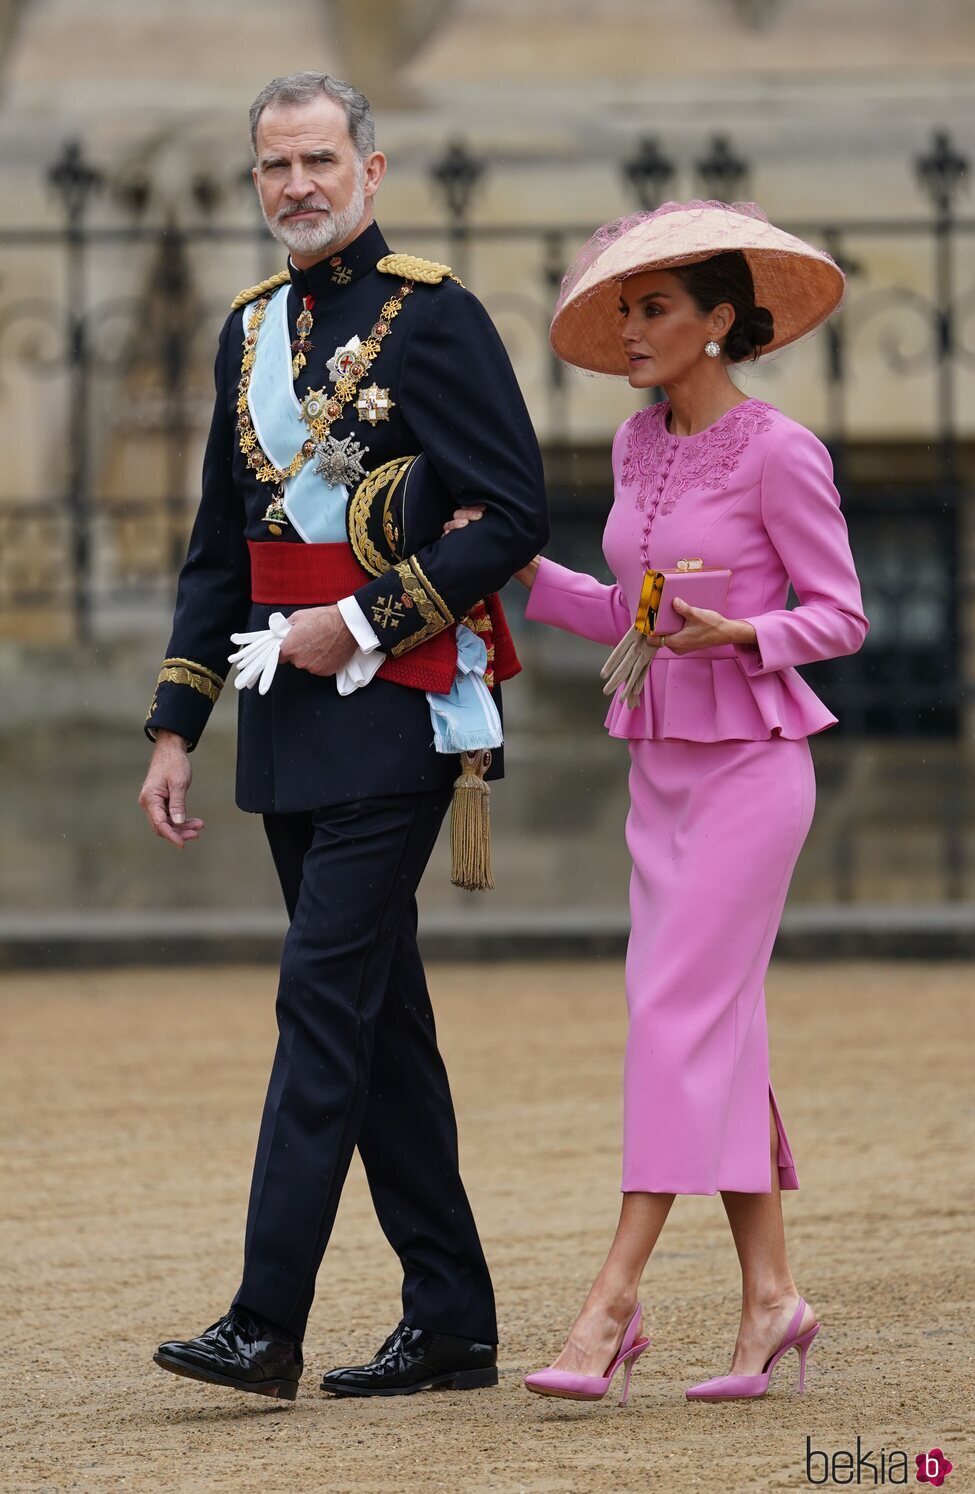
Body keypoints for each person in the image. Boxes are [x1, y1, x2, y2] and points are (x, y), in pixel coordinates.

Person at [138, 71, 548, 1402]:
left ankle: (265, 1318)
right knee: (380, 1024)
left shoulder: (436, 319)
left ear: (371, 171)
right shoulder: (247, 329)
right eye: (275, 166)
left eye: (320, 159)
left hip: (397, 713)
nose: (298, 185)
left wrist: (365, 621)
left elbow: (511, 511)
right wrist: (173, 724)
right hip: (280, 721)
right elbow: (220, 552)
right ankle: (454, 1316)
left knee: (320, 1000)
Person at [453, 200, 867, 1404]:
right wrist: (520, 567)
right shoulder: (636, 450)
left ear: (720, 321)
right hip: (658, 770)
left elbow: (841, 615)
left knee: (670, 1018)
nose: (629, 330)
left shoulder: (782, 449)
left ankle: (609, 1302)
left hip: (750, 768)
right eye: (623, 310)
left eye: (654, 310)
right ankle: (769, 1297)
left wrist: (746, 628)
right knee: (709, 1026)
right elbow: (628, 611)